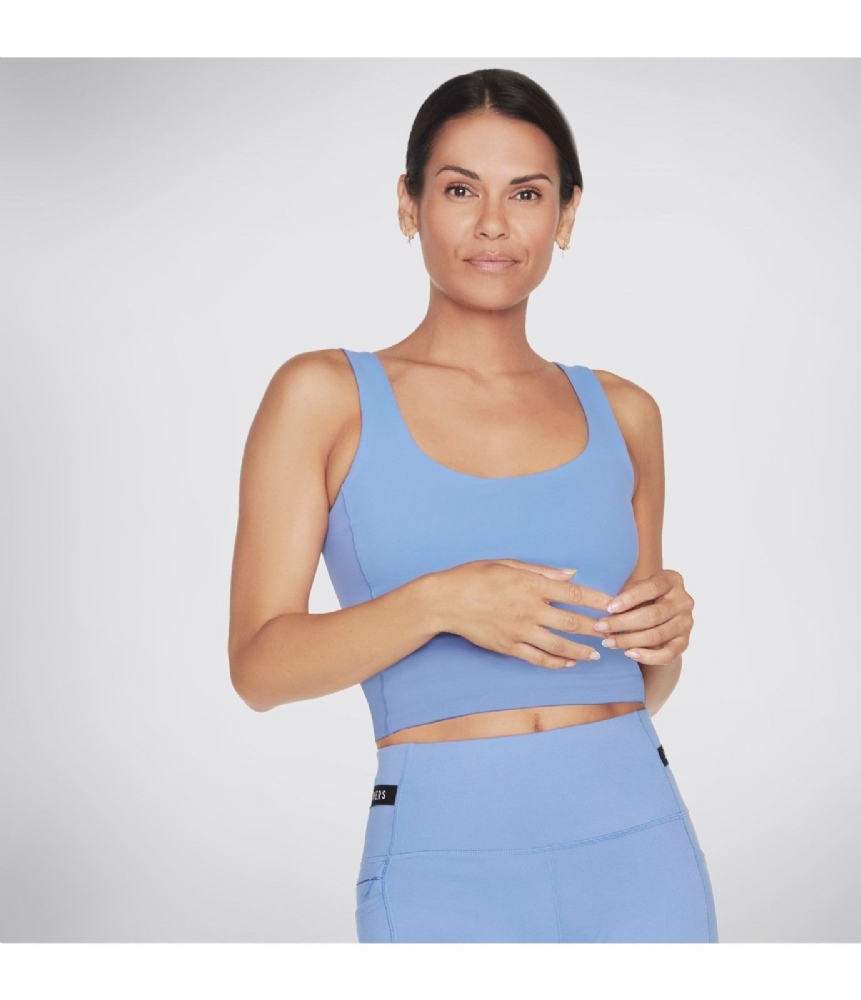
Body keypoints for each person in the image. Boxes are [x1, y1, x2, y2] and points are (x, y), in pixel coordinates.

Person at [228, 67, 717, 943]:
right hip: (443, 861)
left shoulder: (625, 412)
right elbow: (259, 669)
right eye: (460, 190)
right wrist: (441, 601)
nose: (494, 223)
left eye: (527, 193)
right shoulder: (324, 396)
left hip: (641, 844)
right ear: (409, 204)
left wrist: (666, 636)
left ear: (566, 214)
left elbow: (642, 684)